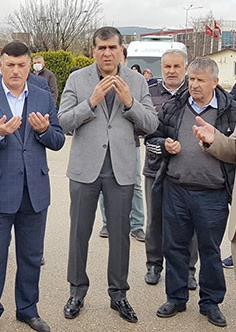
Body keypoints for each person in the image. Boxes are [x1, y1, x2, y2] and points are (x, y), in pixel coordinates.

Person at [58, 26, 158, 323]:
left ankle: (119, 294)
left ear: (121, 50)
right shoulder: (77, 79)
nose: (107, 53)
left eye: (112, 47)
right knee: (79, 233)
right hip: (85, 170)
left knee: (120, 236)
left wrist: (129, 102)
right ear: (93, 51)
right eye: (101, 48)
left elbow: (151, 124)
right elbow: (63, 122)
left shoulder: (137, 82)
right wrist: (90, 102)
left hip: (121, 169)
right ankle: (77, 291)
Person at [0, 41, 65, 332]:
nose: (16, 71)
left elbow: (58, 139)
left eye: (22, 65)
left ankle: (28, 309)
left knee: (31, 256)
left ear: (30, 65)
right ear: (1, 65)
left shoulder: (43, 97)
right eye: (10, 65)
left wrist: (44, 131)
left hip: (34, 191)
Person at [147, 57, 236, 328]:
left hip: (213, 193)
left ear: (215, 82)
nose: (194, 85)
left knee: (210, 250)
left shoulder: (230, 111)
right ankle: (175, 298)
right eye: (192, 79)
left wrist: (215, 139)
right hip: (176, 188)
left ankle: (210, 303)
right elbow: (152, 138)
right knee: (174, 247)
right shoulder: (174, 107)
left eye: (200, 80)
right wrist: (164, 145)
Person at [142, 49, 198, 288]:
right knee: (155, 220)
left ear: (185, 68)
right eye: (167, 67)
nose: (172, 71)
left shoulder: (194, 93)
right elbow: (144, 132)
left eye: (177, 66)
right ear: (161, 68)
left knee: (189, 222)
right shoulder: (149, 93)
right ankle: (154, 264)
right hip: (155, 168)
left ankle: (188, 270)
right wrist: (162, 145)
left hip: (187, 170)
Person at [97, 46, 145, 241]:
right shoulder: (98, 84)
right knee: (103, 184)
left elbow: (145, 119)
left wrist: (128, 101)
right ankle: (107, 222)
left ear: (124, 60)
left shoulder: (136, 84)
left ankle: (137, 224)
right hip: (104, 145)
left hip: (130, 144)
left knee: (135, 185)